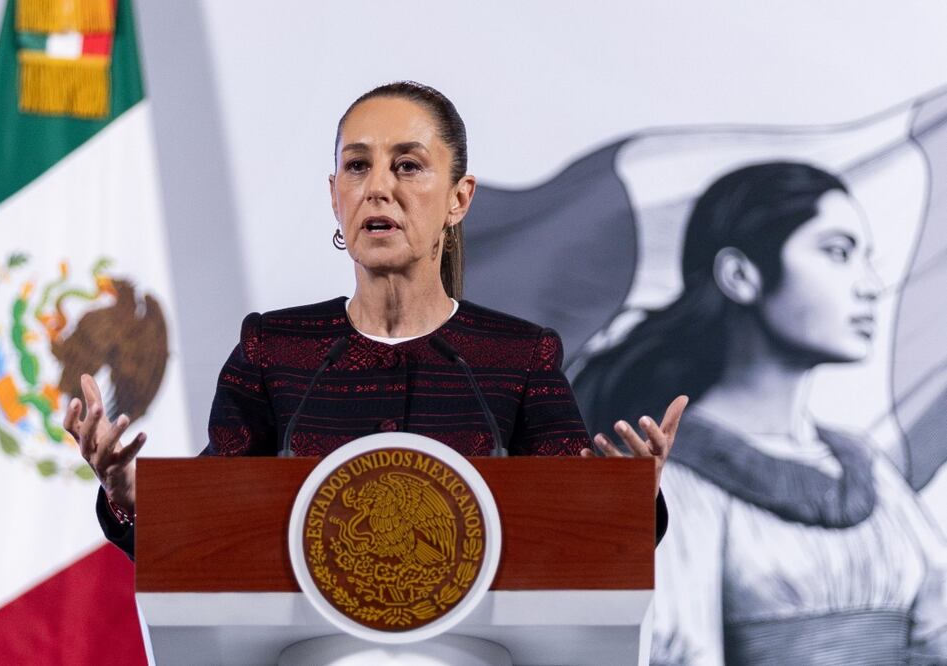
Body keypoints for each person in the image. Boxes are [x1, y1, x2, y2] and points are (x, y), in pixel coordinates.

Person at [64, 81, 687, 559]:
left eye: (407, 165)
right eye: (358, 166)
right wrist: (132, 498)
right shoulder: (275, 350)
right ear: (335, 194)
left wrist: (627, 498)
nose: (378, 187)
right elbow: (206, 526)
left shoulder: (518, 357)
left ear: (459, 198)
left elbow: (581, 535)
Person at [571, 162, 947, 665]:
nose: (871, 285)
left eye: (866, 258)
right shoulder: (671, 476)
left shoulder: (867, 468)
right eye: (838, 253)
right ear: (740, 275)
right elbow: (680, 653)